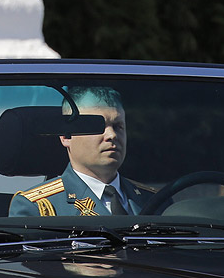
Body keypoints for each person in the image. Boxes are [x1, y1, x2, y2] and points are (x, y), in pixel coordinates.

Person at [9, 86, 152, 216]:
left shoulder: (153, 200)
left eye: (118, 126)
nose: (111, 135)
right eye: (97, 126)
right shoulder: (37, 208)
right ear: (66, 136)